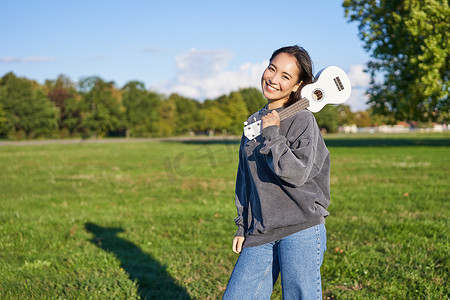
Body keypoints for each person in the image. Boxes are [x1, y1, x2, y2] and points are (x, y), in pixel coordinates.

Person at [223, 45, 330, 300]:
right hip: (261, 230)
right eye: (272, 68)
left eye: (285, 76)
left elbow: (296, 173)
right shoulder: (253, 122)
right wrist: (242, 225)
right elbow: (245, 181)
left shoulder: (303, 120)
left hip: (301, 227)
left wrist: (273, 135)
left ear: (297, 85)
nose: (273, 79)